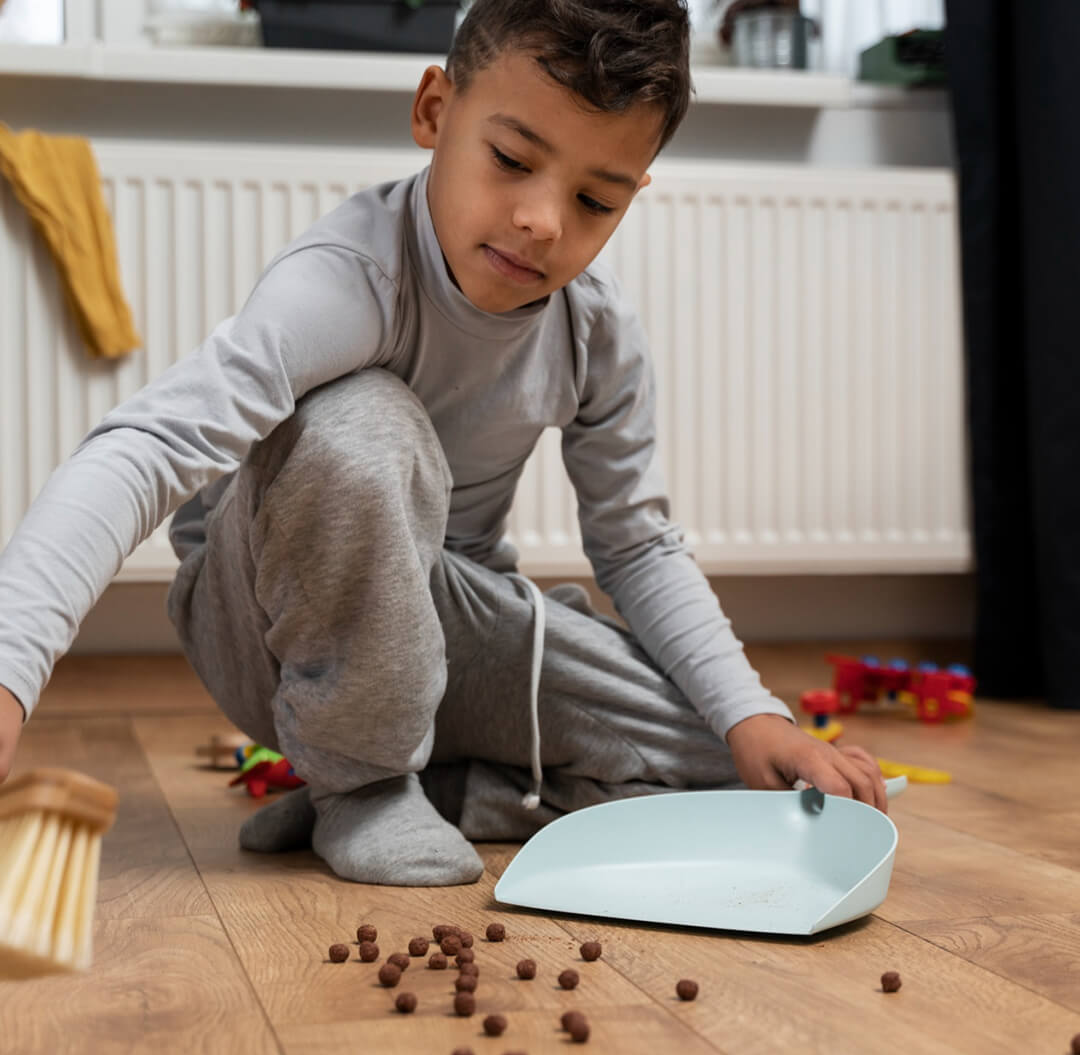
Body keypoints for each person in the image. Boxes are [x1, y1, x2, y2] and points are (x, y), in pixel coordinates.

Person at [0, 0, 886, 886]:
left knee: (731, 758)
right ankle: (365, 789)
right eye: (509, 160)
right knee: (360, 422)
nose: (543, 220)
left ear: (634, 195)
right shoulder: (349, 280)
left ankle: (455, 791)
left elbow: (637, 541)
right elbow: (145, 448)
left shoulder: (595, 328)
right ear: (434, 112)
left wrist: (752, 714)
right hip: (266, 628)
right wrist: (9, 674)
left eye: (594, 199)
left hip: (447, 625)